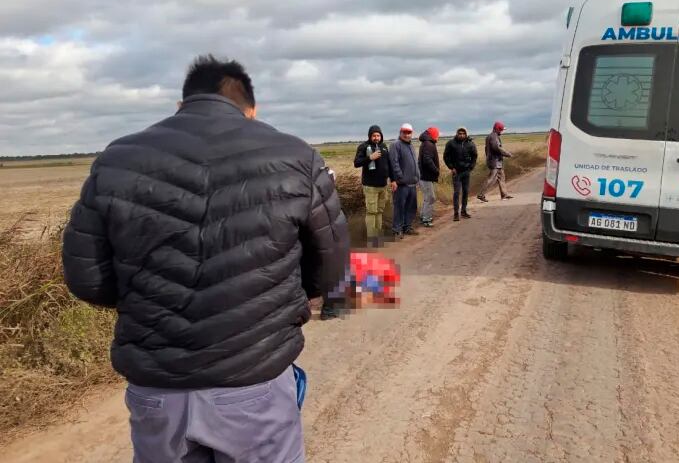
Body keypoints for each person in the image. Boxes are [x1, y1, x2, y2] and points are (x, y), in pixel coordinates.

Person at [61, 55, 349, 463]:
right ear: (252, 110)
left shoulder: (117, 159)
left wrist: (148, 302)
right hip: (255, 379)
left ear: (181, 105)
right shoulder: (297, 158)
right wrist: (271, 296)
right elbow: (330, 269)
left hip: (158, 385)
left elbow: (86, 278)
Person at [353, 125, 392, 245]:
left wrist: (393, 180)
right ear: (370, 136)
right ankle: (372, 239)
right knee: (371, 212)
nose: (376, 137)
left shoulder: (384, 147)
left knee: (379, 211)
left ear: (381, 136)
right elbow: (356, 163)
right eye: (374, 135)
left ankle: (377, 236)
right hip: (370, 187)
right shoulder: (364, 147)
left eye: (378, 135)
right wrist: (370, 157)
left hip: (383, 185)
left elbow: (389, 165)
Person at [388, 123, 420, 238]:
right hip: (401, 184)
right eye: (404, 132)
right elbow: (394, 163)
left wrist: (417, 176)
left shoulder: (411, 146)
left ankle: (407, 227)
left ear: (411, 133)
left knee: (411, 207)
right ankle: (397, 229)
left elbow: (414, 163)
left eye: (409, 132)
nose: (407, 135)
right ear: (400, 133)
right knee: (399, 207)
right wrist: (400, 178)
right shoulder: (395, 145)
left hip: (412, 183)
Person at [443, 127, 478, 221]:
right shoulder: (451, 143)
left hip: (466, 172)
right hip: (456, 172)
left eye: (463, 133)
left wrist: (471, 167)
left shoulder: (470, 144)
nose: (462, 135)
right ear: (457, 134)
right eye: (460, 133)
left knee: (466, 192)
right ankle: (455, 213)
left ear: (466, 134)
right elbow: (446, 157)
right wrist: (451, 167)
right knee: (457, 192)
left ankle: (463, 211)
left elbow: (474, 156)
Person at [478, 121, 514, 202]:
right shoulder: (493, 137)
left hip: (496, 161)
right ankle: (481, 194)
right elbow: (497, 148)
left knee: (501, 177)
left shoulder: (492, 136)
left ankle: (504, 195)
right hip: (494, 161)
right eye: (501, 130)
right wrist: (507, 154)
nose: (502, 131)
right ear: (497, 129)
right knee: (491, 179)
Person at [417, 127, 440, 227]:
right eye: (437, 135)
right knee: (431, 197)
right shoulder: (428, 144)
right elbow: (427, 160)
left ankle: (423, 216)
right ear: (434, 134)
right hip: (425, 176)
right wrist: (436, 170)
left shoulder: (426, 143)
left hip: (423, 176)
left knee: (427, 197)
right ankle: (426, 219)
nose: (438, 137)